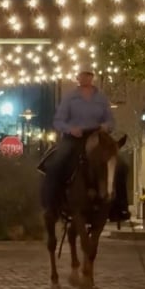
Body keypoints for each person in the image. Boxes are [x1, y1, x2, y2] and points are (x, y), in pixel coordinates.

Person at [43, 68, 130, 220]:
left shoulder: (101, 98)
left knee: (121, 164)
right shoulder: (70, 98)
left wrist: (106, 126)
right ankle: (52, 205)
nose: (86, 78)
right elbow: (58, 121)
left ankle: (120, 207)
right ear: (78, 77)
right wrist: (70, 129)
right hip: (74, 137)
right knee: (56, 163)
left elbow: (110, 120)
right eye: (83, 75)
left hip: (97, 136)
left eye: (89, 75)